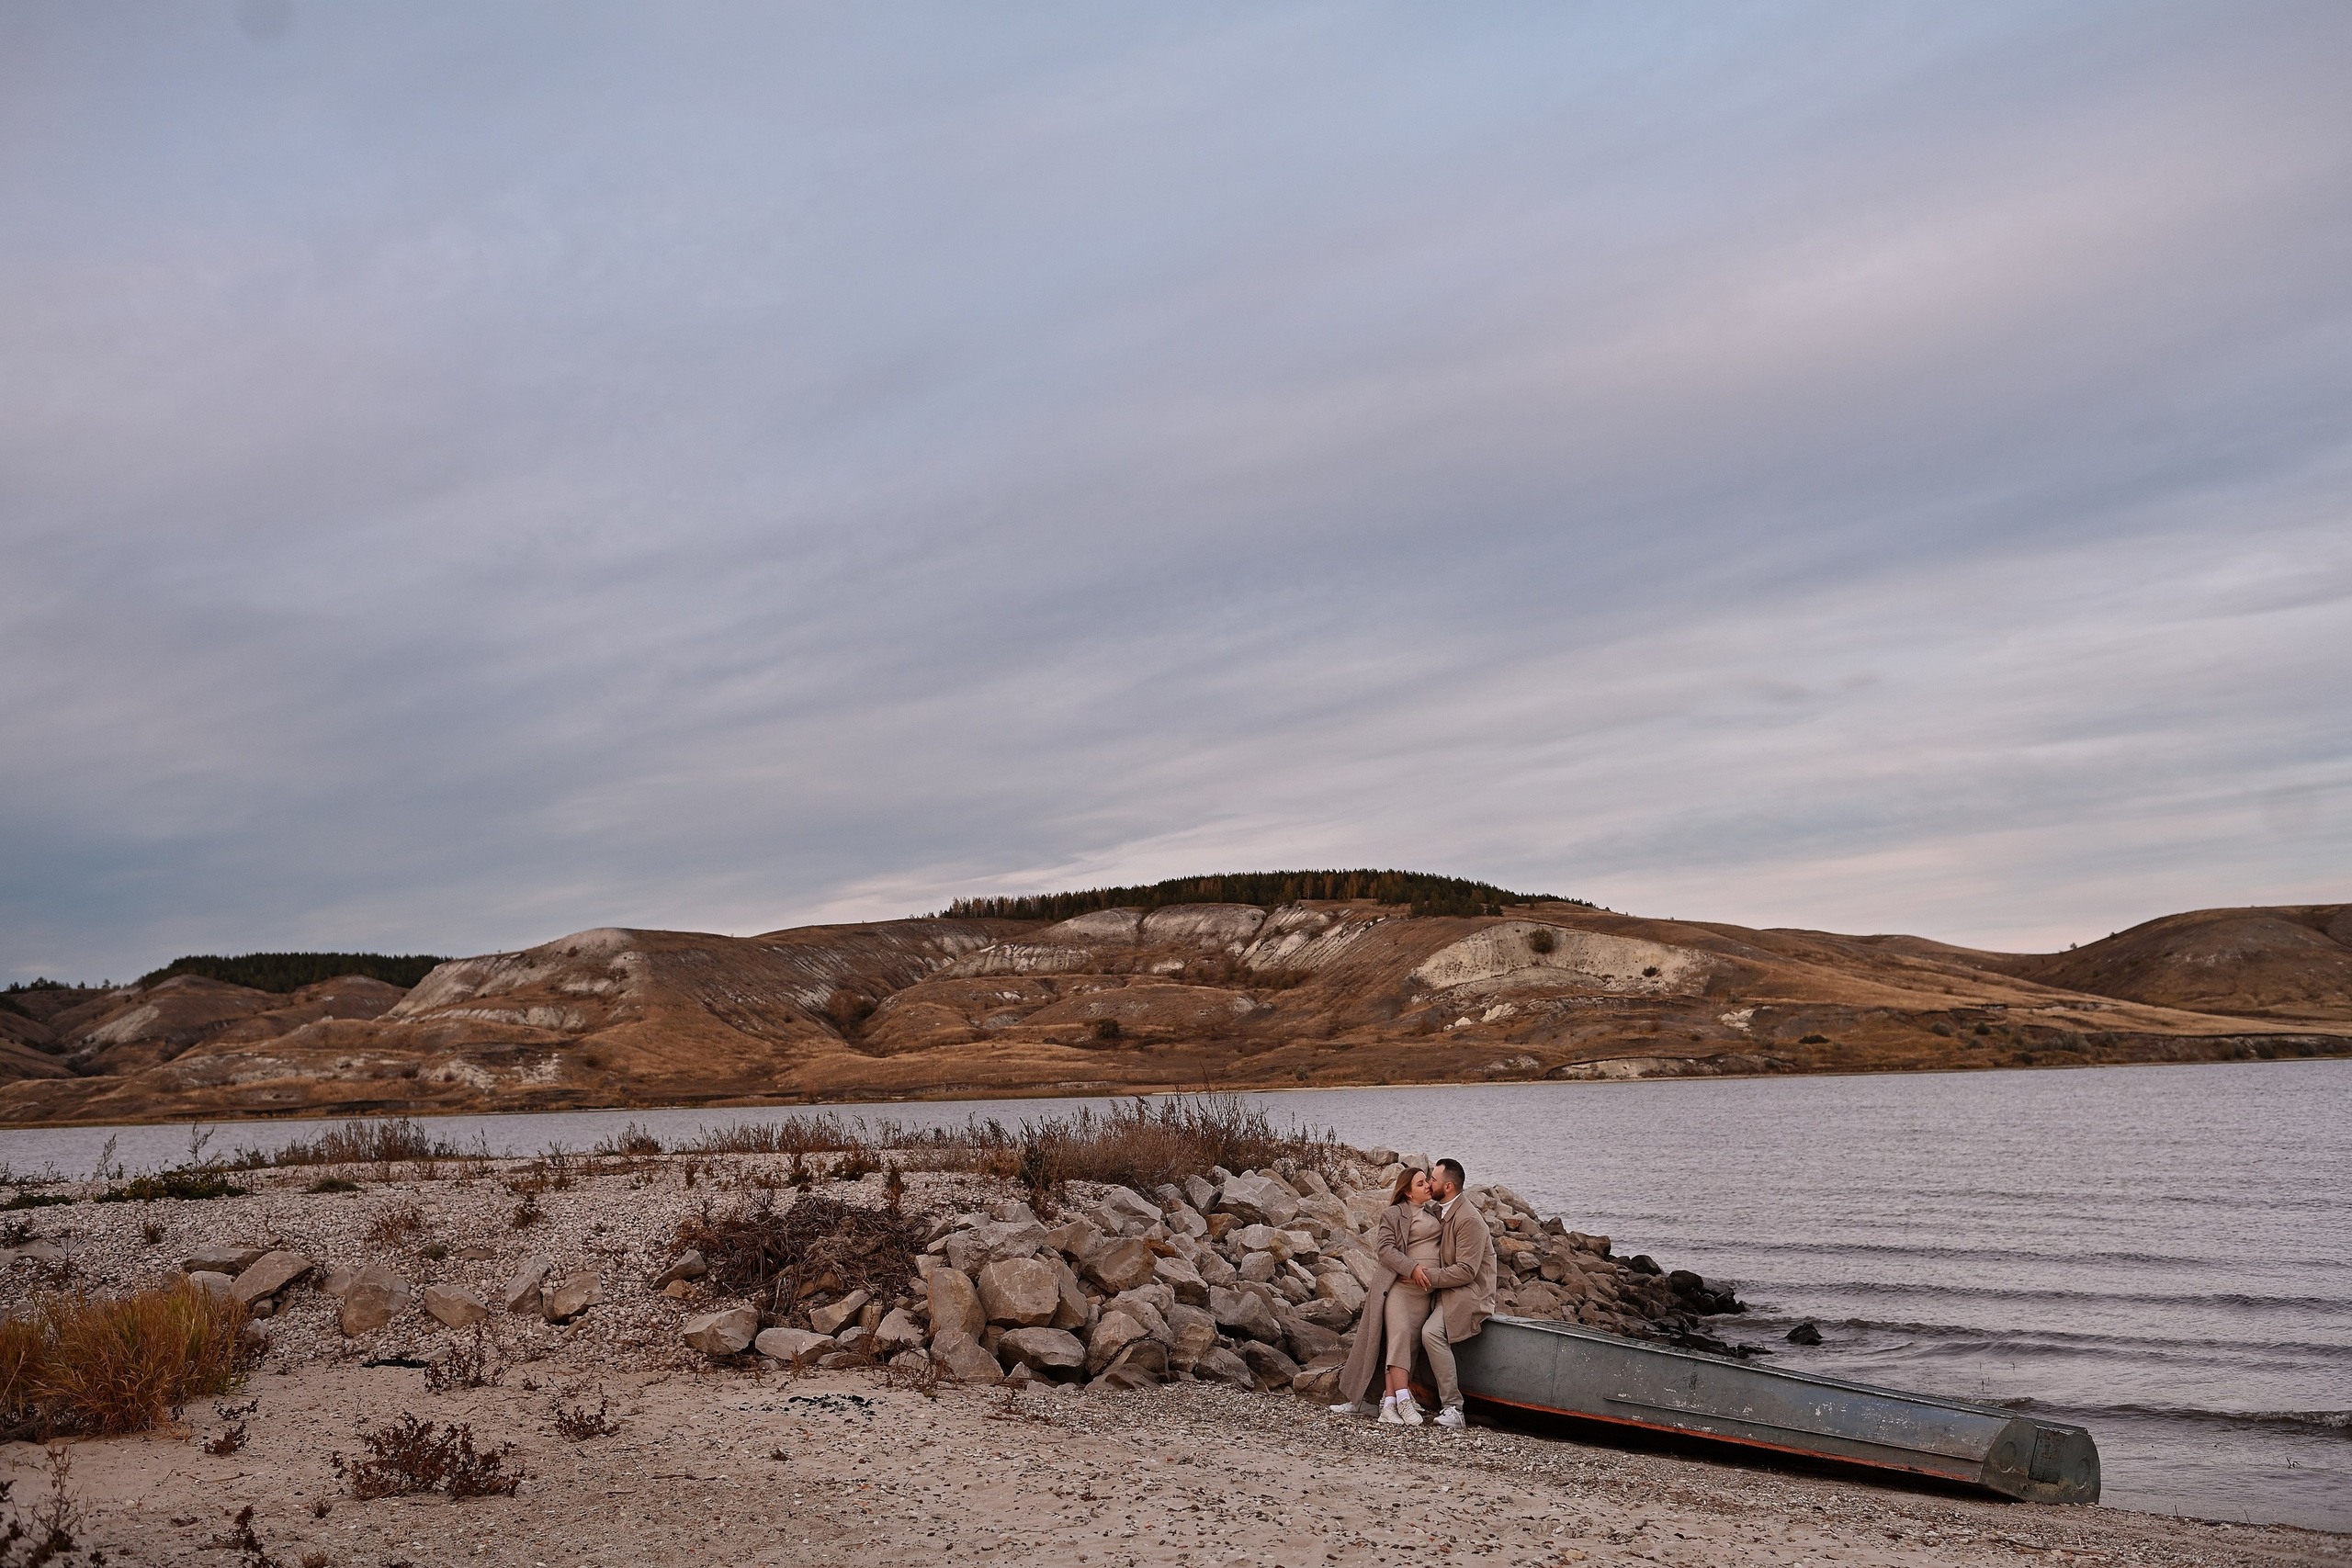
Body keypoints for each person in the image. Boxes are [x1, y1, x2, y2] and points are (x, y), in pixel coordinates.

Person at [1328, 1165, 1437, 1422]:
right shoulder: (1394, 1214)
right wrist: (1411, 1268)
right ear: (1408, 1193)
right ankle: (1401, 1400)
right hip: (1398, 1287)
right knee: (1397, 1338)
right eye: (1420, 1184)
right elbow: (1385, 1250)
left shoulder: (1434, 1211)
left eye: (1427, 1182)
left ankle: (1385, 1404)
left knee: (1406, 1346)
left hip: (1424, 1293)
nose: (1427, 1186)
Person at [1416, 1157, 1498, 1429]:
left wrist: (1426, 1276)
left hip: (1469, 1294)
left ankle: (1454, 1408)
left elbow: (1466, 1271)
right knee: (1401, 1320)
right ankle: (1389, 1395)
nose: (1429, 1184)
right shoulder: (1438, 1209)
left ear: (1448, 1186)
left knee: (1431, 1332)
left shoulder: (1469, 1220)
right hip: (1445, 1288)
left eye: (1433, 1180)